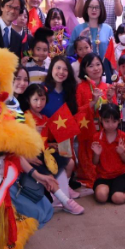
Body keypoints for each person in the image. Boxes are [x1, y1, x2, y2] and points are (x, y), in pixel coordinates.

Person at [19, 84, 84, 215]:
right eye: (36, 99)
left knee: (70, 162)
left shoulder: (45, 118)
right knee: (50, 171)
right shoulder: (25, 117)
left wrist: (51, 144)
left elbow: (46, 138)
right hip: (33, 156)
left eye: (42, 99)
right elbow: (21, 141)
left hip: (46, 153)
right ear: (28, 100)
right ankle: (64, 199)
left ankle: (64, 189)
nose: (39, 103)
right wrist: (33, 132)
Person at [76, 54, 117, 187]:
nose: (95, 68)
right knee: (91, 169)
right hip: (88, 130)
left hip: (105, 132)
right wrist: (93, 102)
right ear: (84, 69)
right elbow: (77, 111)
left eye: (98, 64)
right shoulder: (80, 88)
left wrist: (110, 99)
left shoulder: (107, 87)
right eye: (91, 66)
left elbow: (115, 112)